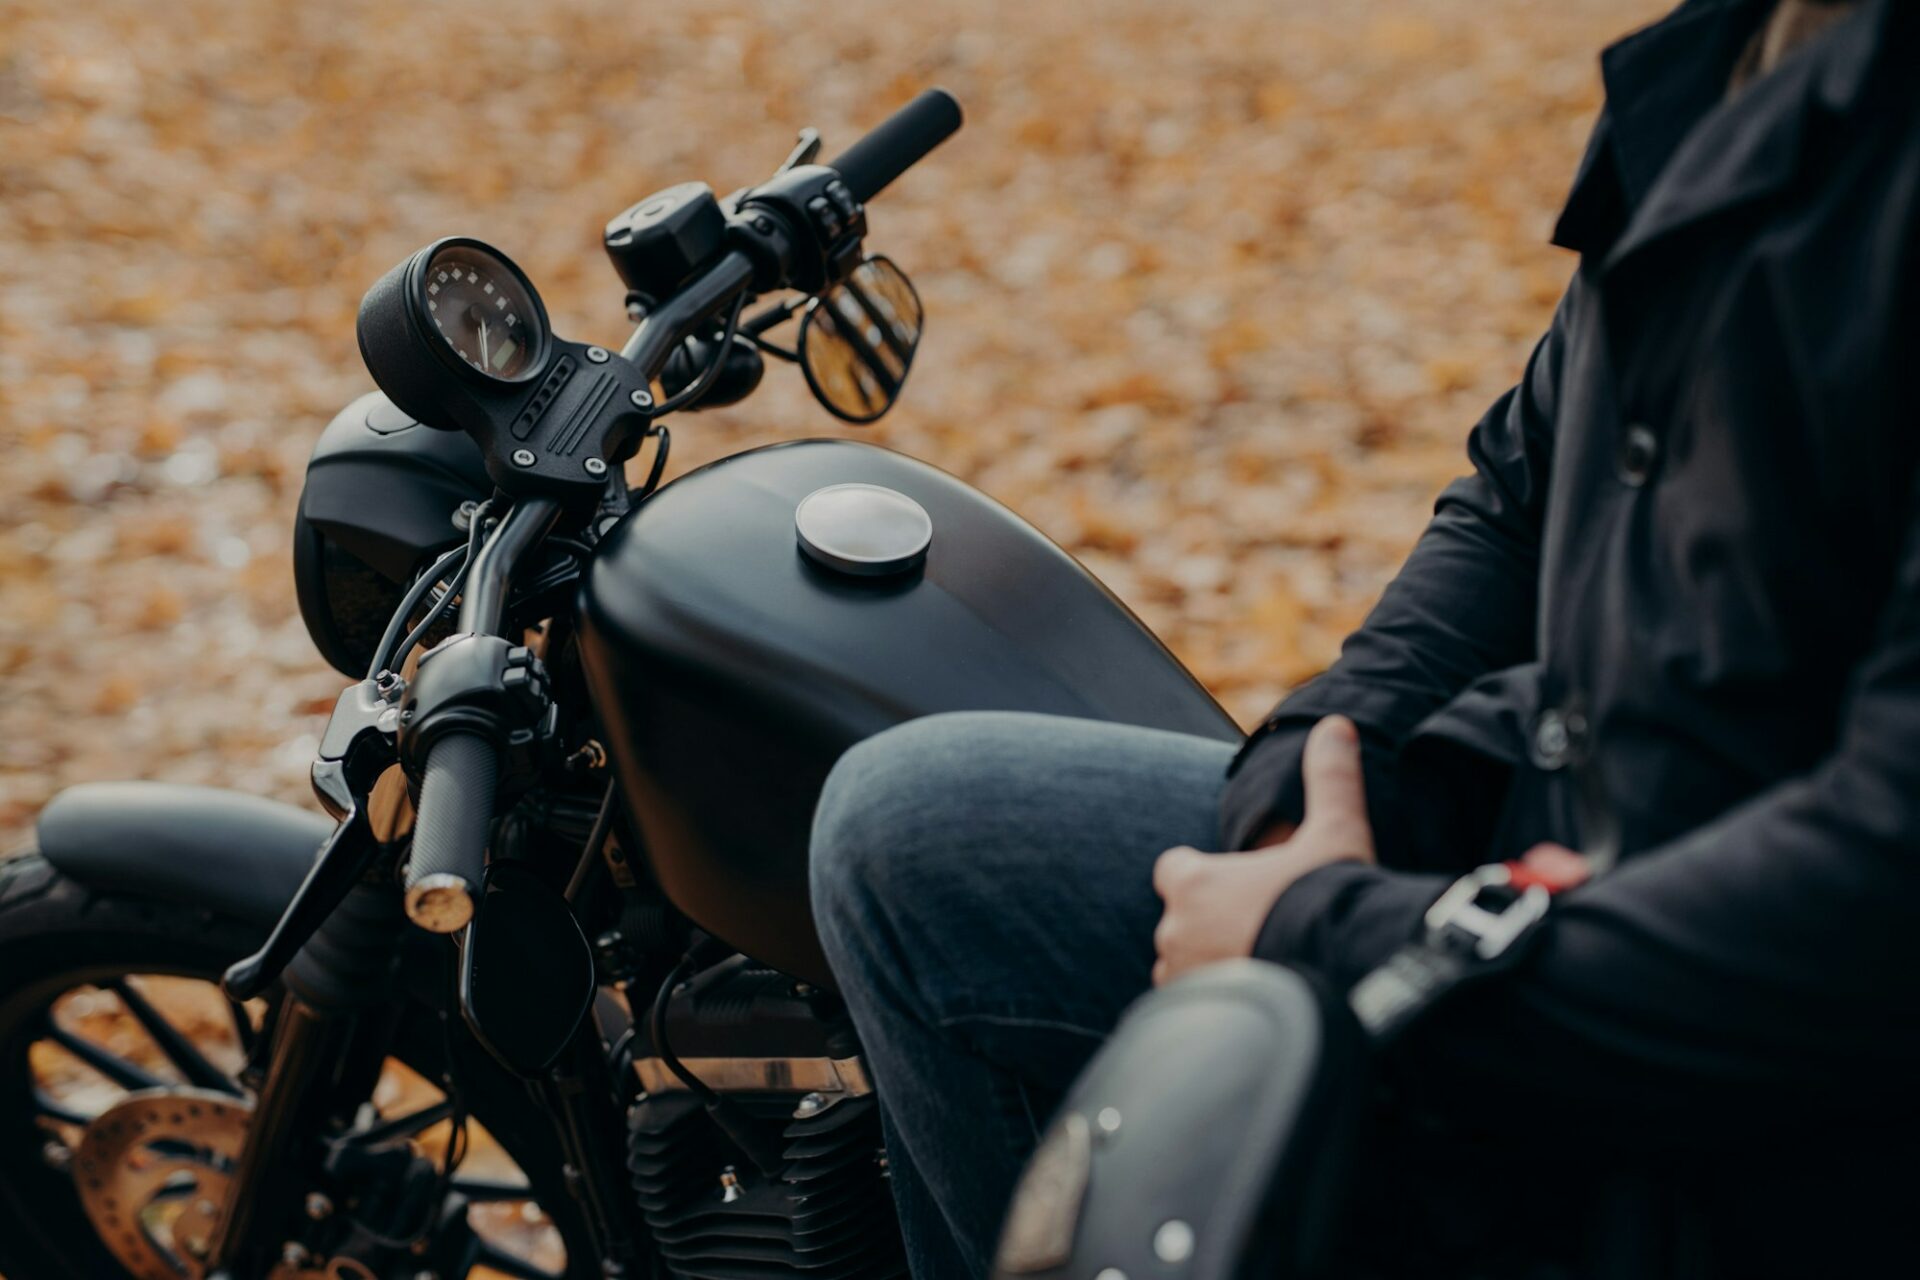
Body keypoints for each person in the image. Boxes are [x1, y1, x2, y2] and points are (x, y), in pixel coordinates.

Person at [808, 0, 1920, 1275]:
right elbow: (1518, 496)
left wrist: (1324, 937)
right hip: (1535, 857)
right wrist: (1323, 786)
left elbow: (1886, 893)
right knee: (922, 839)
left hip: (1738, 1071)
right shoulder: (1734, 53)